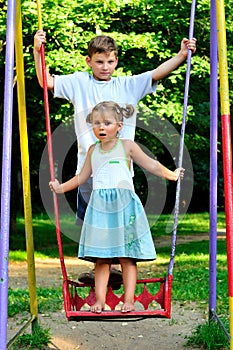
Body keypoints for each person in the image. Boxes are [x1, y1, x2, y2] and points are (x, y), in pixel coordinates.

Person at [34, 31, 196, 287]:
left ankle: (117, 268)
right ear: (89, 61)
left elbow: (157, 73)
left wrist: (181, 54)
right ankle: (102, 267)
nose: (105, 67)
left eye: (110, 62)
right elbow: (46, 81)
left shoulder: (127, 86)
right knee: (95, 227)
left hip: (120, 174)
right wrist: (36, 50)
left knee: (120, 223)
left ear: (116, 61)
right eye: (99, 62)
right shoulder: (79, 83)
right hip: (89, 171)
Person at [49, 101, 184, 313]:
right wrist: (60, 188)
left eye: (107, 123)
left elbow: (150, 164)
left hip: (124, 207)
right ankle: (100, 301)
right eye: (96, 123)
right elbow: (82, 177)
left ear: (119, 126)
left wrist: (171, 174)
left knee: (126, 257)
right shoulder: (93, 150)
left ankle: (128, 300)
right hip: (100, 208)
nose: (101, 127)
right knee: (102, 259)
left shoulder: (127, 145)